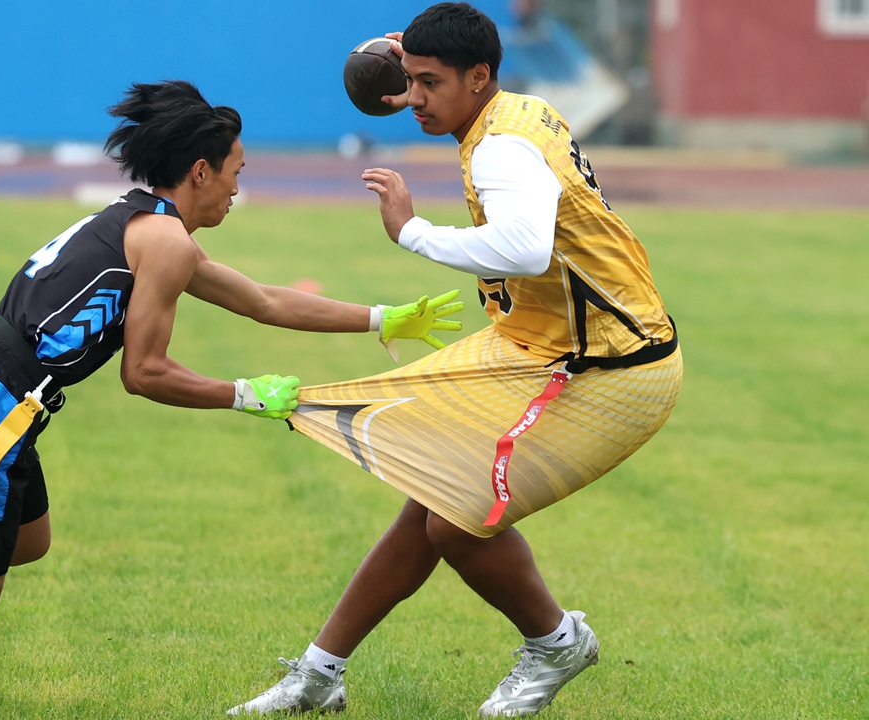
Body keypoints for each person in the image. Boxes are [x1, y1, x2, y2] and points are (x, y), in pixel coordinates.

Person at [0, 80, 465, 718]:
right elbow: (144, 373)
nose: (238, 189)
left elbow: (264, 300)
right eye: (236, 173)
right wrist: (247, 396)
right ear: (201, 169)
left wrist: (381, 319)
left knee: (28, 540)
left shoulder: (143, 219)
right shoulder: (168, 242)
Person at [228, 3, 681, 717]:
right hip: (535, 345)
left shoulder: (498, 146)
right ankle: (320, 672)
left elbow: (527, 249)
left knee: (456, 518)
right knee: (430, 490)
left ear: (479, 78)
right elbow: (472, 79)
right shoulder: (510, 108)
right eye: (409, 79)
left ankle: (557, 643)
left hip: (611, 367)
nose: (412, 99)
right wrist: (420, 51)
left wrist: (412, 232)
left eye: (428, 83)